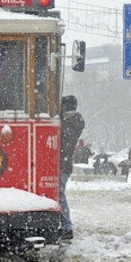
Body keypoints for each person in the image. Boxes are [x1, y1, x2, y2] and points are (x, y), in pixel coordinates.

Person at [57, 96, 84, 240]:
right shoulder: (75, 122)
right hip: (64, 164)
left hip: (63, 164)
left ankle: (67, 226)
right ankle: (65, 224)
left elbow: (63, 138)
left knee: (60, 194)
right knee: (59, 194)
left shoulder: (69, 123)